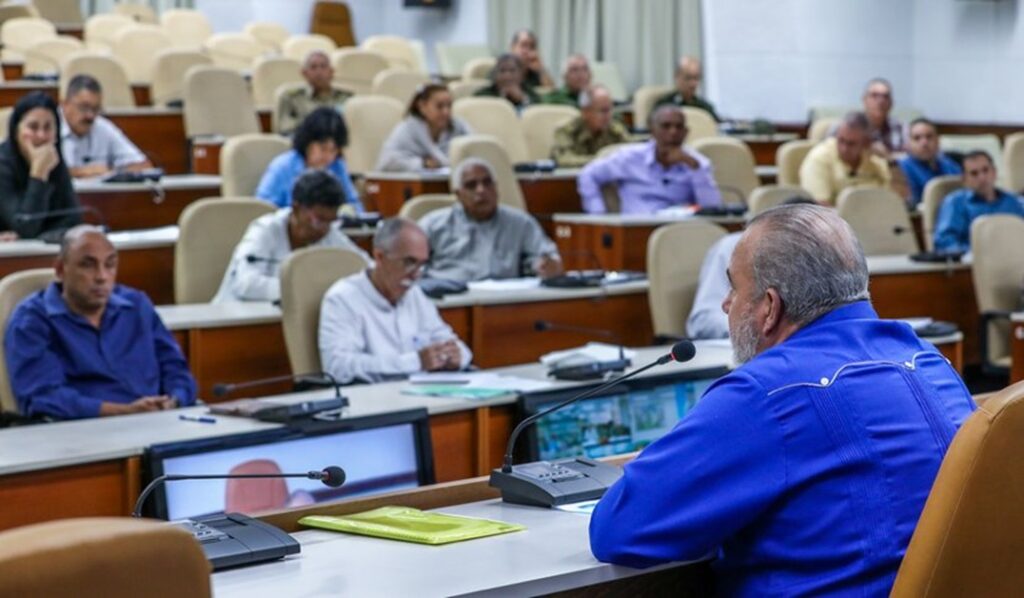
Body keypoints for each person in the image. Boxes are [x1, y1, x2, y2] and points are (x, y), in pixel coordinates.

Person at [589, 204, 975, 595]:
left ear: (770, 307)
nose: (725, 304)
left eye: (734, 288)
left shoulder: (765, 394)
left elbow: (617, 529)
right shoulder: (932, 363)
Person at [5, 225, 197, 419]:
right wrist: (125, 411)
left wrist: (173, 400)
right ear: (61, 269)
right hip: (85, 430)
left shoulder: (137, 306)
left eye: (110, 265)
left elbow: (177, 370)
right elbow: (43, 398)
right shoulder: (32, 320)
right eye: (88, 265)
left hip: (159, 422)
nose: (101, 277)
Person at [318, 217, 472, 384]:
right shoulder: (343, 298)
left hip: (420, 391)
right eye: (409, 262)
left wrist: (455, 356)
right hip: (372, 395)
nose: (416, 274)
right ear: (379, 257)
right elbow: (338, 367)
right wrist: (414, 362)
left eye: (422, 265)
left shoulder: (414, 294)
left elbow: (456, 346)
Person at [213, 170, 371, 303]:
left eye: (331, 221)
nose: (324, 229)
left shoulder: (329, 233)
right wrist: (303, 290)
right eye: (319, 220)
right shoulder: (266, 230)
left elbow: (364, 265)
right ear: (296, 208)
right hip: (237, 318)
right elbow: (245, 284)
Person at [686, 197, 817, 340]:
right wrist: (757, 329)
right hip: (737, 346)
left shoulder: (822, 260)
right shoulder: (733, 248)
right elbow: (703, 320)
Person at [419, 158, 563, 282]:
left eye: (487, 183)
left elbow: (546, 256)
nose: (481, 190)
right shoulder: (433, 224)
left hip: (503, 300)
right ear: (458, 194)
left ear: (496, 188)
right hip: (448, 297)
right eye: (471, 185)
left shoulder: (520, 223)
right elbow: (412, 264)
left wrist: (545, 266)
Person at [577, 104, 722, 214]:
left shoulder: (696, 163)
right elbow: (588, 174)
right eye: (666, 126)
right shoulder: (630, 158)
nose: (673, 132)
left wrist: (694, 167)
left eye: (679, 127)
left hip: (679, 232)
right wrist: (598, 214)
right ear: (652, 130)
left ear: (686, 132)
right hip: (636, 230)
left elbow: (712, 209)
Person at [0, 91, 80, 243]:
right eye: (33, 127)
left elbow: (73, 218)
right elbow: (26, 226)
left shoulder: (54, 159)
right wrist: (39, 174)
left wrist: (42, 234)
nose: (41, 136)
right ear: (16, 131)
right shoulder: (2, 164)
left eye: (48, 127)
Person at [255, 107, 363, 212]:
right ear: (307, 142)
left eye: (333, 150)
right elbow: (262, 209)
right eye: (323, 149)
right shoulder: (282, 167)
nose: (328, 156)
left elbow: (353, 204)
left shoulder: (337, 166)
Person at [59, 74, 151, 178]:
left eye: (96, 109)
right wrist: (80, 172)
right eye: (84, 107)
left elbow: (144, 166)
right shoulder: (49, 127)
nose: (90, 115)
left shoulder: (102, 127)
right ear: (65, 104)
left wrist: (110, 172)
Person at [933, 150, 1024, 253]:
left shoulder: (1013, 201)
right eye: (974, 174)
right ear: (964, 179)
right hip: (972, 260)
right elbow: (944, 243)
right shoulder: (955, 203)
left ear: (994, 172)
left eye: (986, 170)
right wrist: (974, 254)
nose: (982, 178)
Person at [799, 111, 891, 205]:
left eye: (851, 144)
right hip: (834, 213)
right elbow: (819, 208)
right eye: (841, 140)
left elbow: (892, 200)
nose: (844, 149)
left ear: (866, 143)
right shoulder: (819, 158)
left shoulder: (875, 162)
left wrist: (889, 160)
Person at [375, 83, 471, 172]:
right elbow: (387, 162)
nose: (446, 112)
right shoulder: (406, 130)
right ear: (422, 107)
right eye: (439, 106)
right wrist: (423, 163)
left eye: (449, 106)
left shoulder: (458, 126)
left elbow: (474, 150)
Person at [275, 50, 351, 136]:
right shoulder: (291, 97)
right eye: (313, 67)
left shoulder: (346, 98)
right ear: (304, 73)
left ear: (331, 72)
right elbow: (285, 129)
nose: (319, 72)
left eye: (323, 66)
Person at [551, 85, 630, 168]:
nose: (608, 116)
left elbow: (630, 155)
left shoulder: (615, 130)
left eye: (610, 110)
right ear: (586, 112)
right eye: (603, 111)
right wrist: (601, 160)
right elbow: (564, 160)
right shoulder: (566, 131)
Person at [898, 118, 962, 207]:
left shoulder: (949, 164)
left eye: (929, 137)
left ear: (938, 140)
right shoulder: (901, 169)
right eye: (917, 138)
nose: (924, 143)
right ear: (908, 144)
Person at [654, 56, 719, 122]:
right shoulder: (664, 106)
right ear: (676, 77)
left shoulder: (705, 108)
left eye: (696, 78)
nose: (693, 84)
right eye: (688, 78)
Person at [473, 54, 540, 112]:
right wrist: (503, 98)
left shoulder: (530, 94)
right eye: (502, 71)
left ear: (521, 75)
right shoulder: (483, 95)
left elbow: (539, 111)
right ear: (495, 74)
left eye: (512, 71)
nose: (507, 76)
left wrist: (522, 99)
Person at [862, 77, 905, 154]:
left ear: (891, 103)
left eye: (885, 96)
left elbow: (910, 157)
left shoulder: (901, 128)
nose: (880, 101)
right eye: (874, 95)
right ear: (864, 100)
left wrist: (888, 156)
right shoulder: (850, 128)